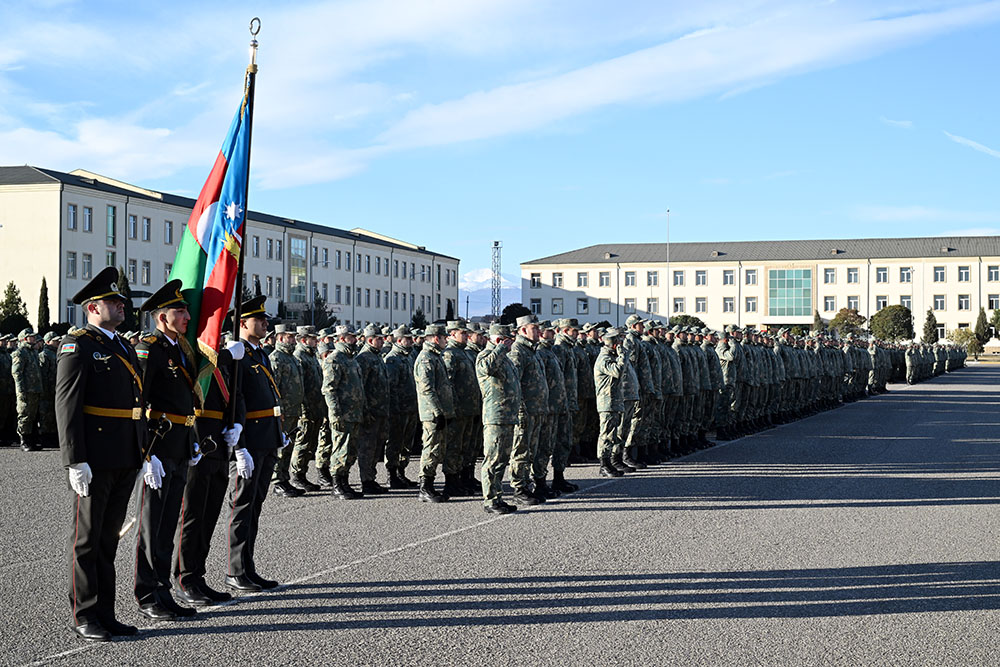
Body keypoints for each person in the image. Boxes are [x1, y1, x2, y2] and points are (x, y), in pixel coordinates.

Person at [57, 266, 144, 641]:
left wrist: (141, 453)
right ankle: (84, 613)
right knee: (88, 540)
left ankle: (106, 613)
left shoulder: (123, 344)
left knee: (110, 539)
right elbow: (68, 406)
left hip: (124, 454)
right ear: (92, 307)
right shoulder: (78, 345)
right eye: (113, 301)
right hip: (95, 457)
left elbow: (136, 403)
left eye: (121, 301)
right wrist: (74, 459)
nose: (121, 305)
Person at [132, 280, 201, 620]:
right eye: (180, 310)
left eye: (186, 309)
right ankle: (148, 595)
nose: (187, 315)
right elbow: (138, 402)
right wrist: (146, 453)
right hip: (159, 447)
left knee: (168, 523)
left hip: (179, 444)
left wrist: (194, 440)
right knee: (152, 526)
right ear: (162, 317)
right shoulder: (150, 349)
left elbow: (186, 400)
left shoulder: (179, 348)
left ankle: (163, 589)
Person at [174, 337, 245, 607]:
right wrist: (225, 356)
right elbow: (188, 388)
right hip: (197, 439)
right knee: (190, 516)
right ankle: (185, 579)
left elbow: (236, 395)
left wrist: (237, 424)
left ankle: (198, 576)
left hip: (219, 443)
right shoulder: (196, 356)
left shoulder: (220, 362)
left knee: (208, 515)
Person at [226, 295, 286, 592]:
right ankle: (236, 570)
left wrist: (278, 431)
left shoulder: (258, 353)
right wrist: (240, 448)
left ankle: (248, 567)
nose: (265, 323)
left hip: (266, 439)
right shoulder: (236, 355)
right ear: (242, 323)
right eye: (259, 319)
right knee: (242, 506)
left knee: (255, 508)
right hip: (249, 441)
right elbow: (236, 403)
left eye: (265, 319)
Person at [475, 323, 520, 514]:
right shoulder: (485, 356)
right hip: (495, 416)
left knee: (502, 459)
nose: (511, 344)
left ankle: (498, 496)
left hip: (508, 415)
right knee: (493, 459)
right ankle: (490, 500)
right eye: (508, 340)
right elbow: (487, 368)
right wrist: (500, 347)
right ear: (499, 340)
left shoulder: (506, 359)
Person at [322, 325, 366, 500]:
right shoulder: (334, 359)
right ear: (341, 338)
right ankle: (337, 484)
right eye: (350, 337)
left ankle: (345, 481)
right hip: (342, 413)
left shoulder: (352, 359)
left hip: (354, 412)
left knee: (350, 449)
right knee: (341, 448)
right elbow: (329, 390)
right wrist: (335, 413)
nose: (354, 339)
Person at [508, 315, 548, 505]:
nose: (539, 332)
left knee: (531, 450)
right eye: (535, 328)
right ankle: (519, 488)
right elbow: (514, 384)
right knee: (521, 450)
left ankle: (529, 484)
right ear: (523, 330)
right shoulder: (518, 351)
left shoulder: (532, 351)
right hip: (525, 411)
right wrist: (520, 411)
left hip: (537, 409)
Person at [413, 323, 455, 503]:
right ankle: (425, 487)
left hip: (440, 412)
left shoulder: (435, 356)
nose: (447, 340)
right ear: (436, 339)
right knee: (431, 449)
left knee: (438, 449)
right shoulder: (426, 359)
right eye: (445, 337)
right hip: (432, 414)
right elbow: (427, 389)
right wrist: (437, 412)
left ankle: (429, 485)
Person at [442, 321, 479, 497]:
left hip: (470, 408)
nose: (465, 336)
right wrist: (451, 408)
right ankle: (451, 480)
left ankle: (466, 477)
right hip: (458, 410)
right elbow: (448, 383)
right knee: (454, 446)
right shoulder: (450, 354)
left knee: (467, 446)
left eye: (466, 333)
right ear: (452, 335)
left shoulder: (464, 353)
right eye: (462, 333)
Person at [268, 324, 305, 498]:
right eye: (290, 337)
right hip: (283, 412)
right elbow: (273, 388)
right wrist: (278, 410)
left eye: (293, 337)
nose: (293, 340)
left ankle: (284, 478)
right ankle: (277, 481)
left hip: (294, 410)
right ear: (280, 337)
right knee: (281, 447)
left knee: (288, 446)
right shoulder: (276, 358)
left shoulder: (291, 358)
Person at [355, 324, 390, 495]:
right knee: (367, 447)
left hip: (380, 410)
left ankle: (371, 478)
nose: (382, 341)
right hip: (371, 411)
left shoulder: (376, 356)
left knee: (376, 446)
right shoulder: (364, 358)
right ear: (370, 340)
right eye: (379, 339)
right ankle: (366, 480)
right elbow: (360, 387)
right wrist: (365, 410)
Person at [383, 326, 419, 489]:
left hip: (410, 407)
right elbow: (391, 387)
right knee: (395, 442)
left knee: (406, 443)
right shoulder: (392, 359)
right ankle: (392, 474)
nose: (411, 341)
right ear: (399, 340)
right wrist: (394, 409)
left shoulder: (408, 356)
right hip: (398, 409)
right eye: (408, 339)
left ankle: (401, 472)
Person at [289, 326, 324, 492]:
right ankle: (296, 476)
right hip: (305, 408)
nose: (316, 341)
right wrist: (303, 408)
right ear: (303, 340)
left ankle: (302, 474)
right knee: (302, 442)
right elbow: (299, 386)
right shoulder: (299, 357)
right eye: (312, 338)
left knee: (310, 443)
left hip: (315, 406)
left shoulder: (311, 356)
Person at [594, 328, 626, 477]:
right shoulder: (604, 359)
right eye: (618, 342)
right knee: (606, 434)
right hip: (606, 403)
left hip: (614, 401)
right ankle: (604, 464)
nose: (620, 344)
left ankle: (611, 462)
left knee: (612, 434)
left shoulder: (610, 357)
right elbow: (617, 371)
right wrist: (621, 356)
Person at [12, 327, 42, 451]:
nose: (34, 338)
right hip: (26, 390)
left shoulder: (33, 352)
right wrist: (21, 390)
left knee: (33, 415)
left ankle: (31, 440)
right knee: (24, 415)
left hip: (35, 389)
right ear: (25, 339)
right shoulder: (20, 353)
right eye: (31, 336)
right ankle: (23, 441)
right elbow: (17, 373)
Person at [37, 331, 60, 448]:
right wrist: (44, 390)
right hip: (47, 390)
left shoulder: (56, 354)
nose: (57, 342)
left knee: (53, 414)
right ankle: (45, 438)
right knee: (46, 415)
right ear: (47, 342)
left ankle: (52, 436)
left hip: (55, 390)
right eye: (55, 341)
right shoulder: (44, 355)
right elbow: (43, 374)